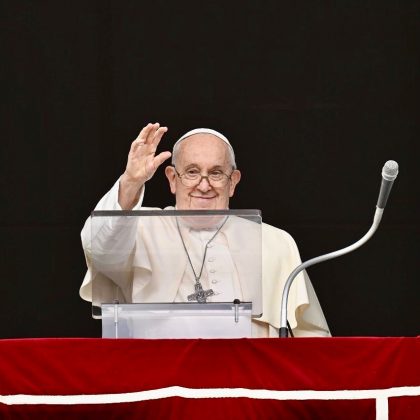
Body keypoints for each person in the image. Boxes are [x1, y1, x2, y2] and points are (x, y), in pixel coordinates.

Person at [80, 123, 330, 337]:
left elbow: (311, 336)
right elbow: (99, 249)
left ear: (233, 182)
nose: (204, 185)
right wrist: (130, 183)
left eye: (216, 173)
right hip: (161, 380)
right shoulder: (139, 228)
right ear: (172, 179)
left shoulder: (274, 241)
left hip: (248, 383)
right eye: (191, 172)